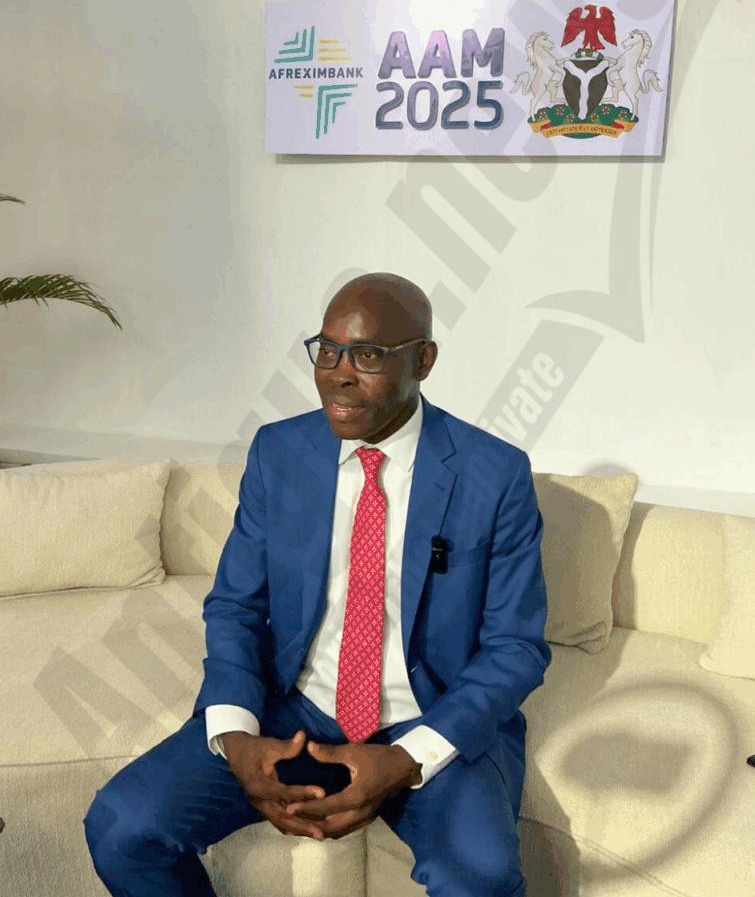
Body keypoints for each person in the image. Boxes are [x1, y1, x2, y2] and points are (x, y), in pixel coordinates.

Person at [83, 272, 551, 897]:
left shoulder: (494, 473)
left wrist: (404, 759)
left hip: (430, 715)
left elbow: (515, 647)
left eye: (368, 355)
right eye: (327, 351)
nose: (338, 374)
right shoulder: (280, 452)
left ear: (423, 361)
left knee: (483, 878)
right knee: (122, 827)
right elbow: (236, 606)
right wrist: (237, 736)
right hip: (296, 708)